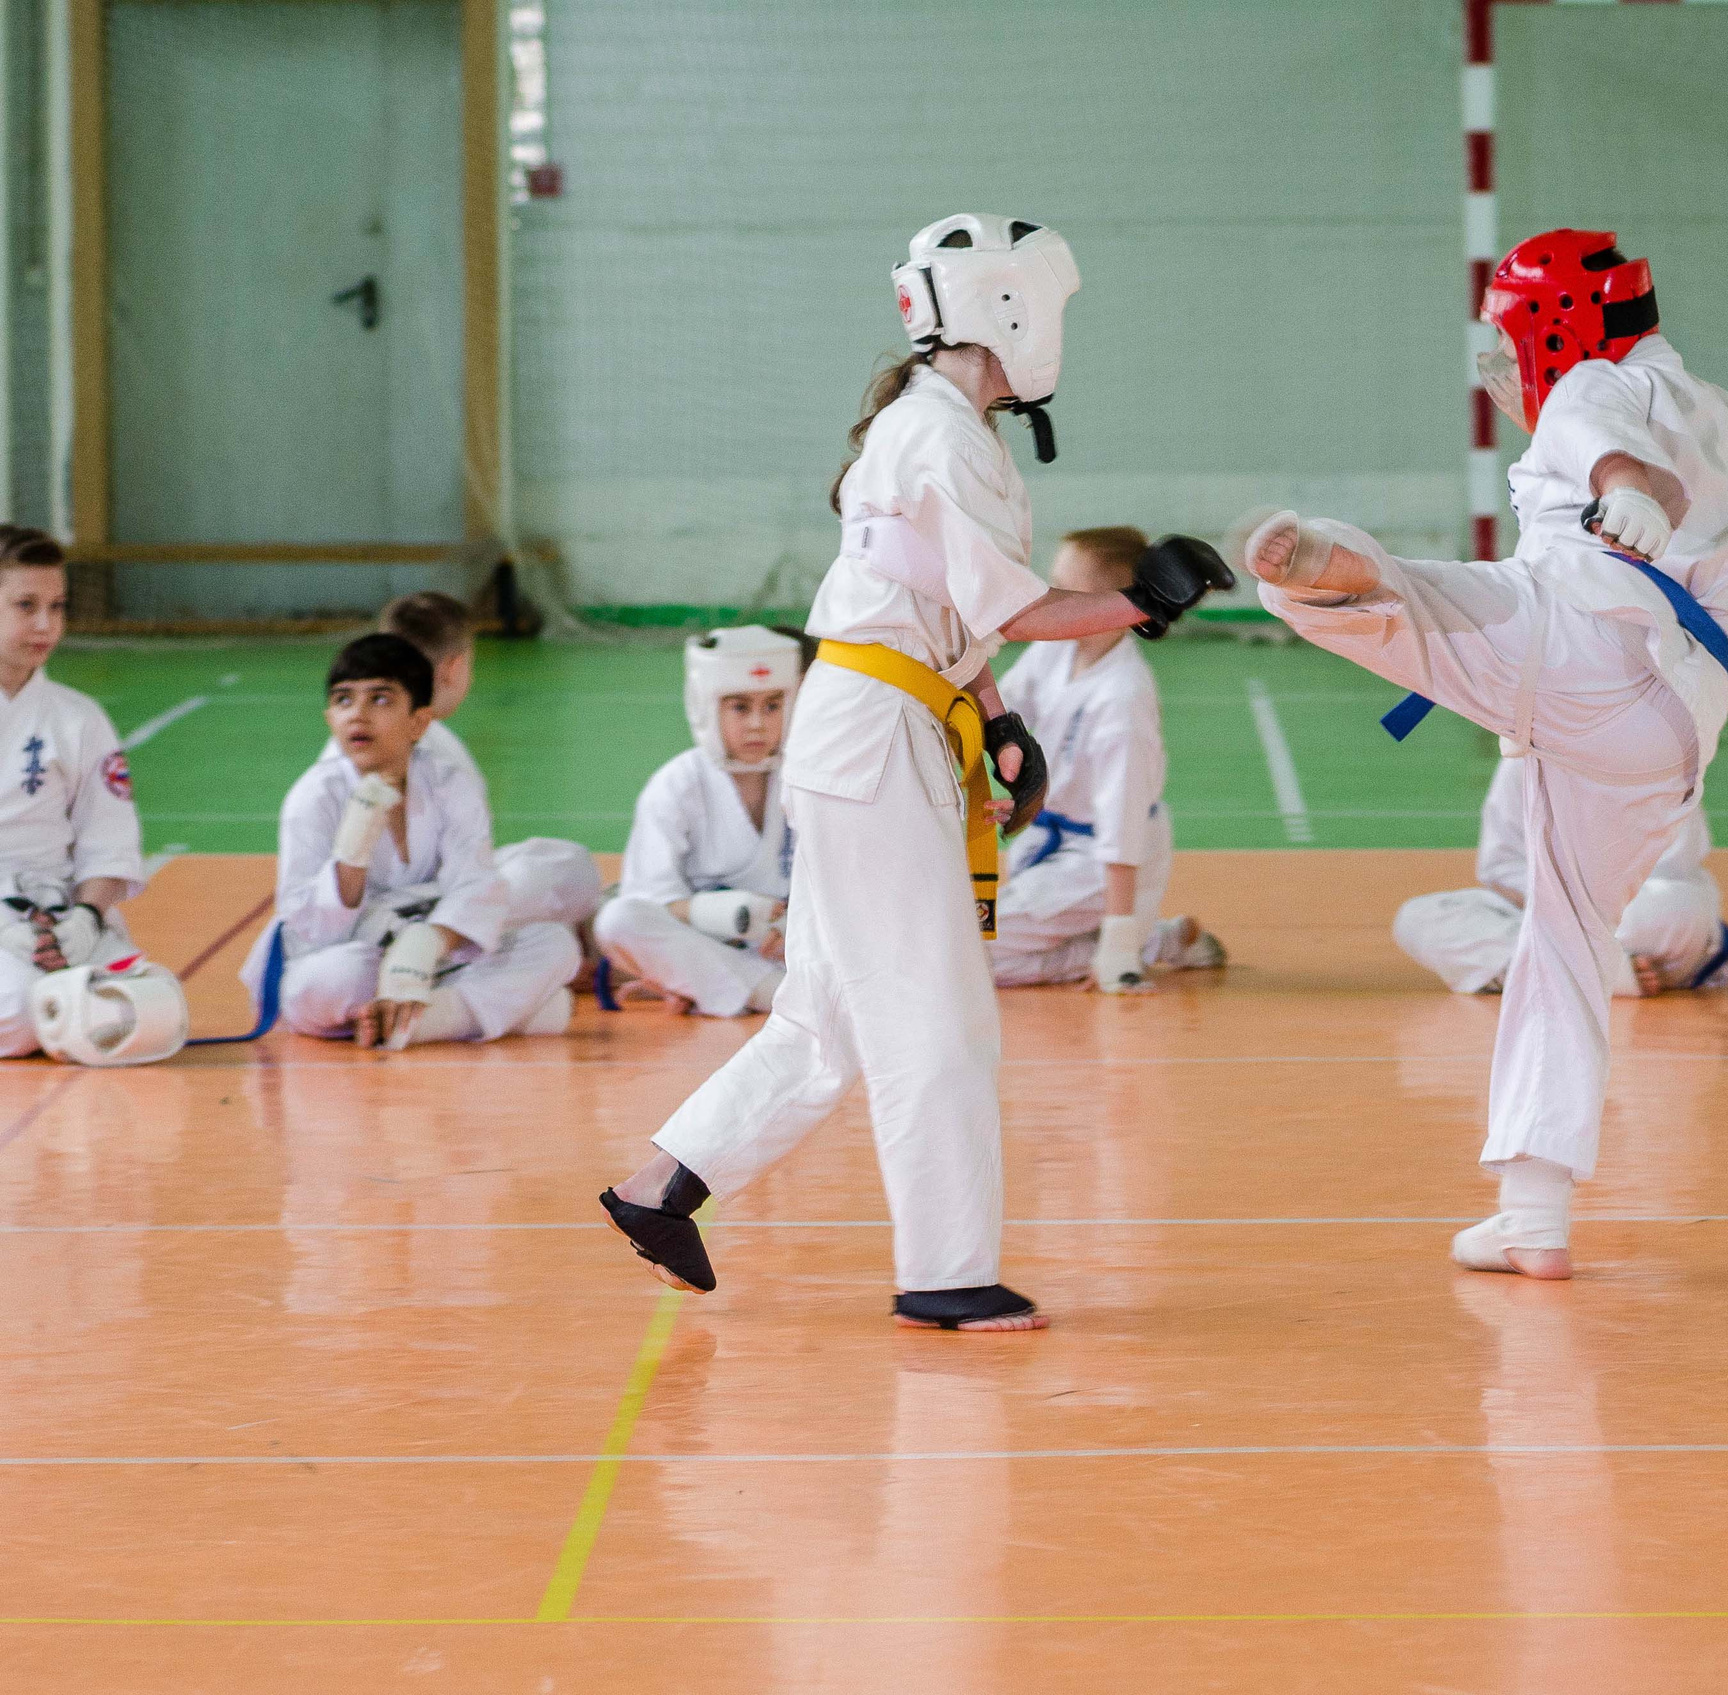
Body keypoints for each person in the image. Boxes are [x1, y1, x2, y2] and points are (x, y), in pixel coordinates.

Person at [598, 213, 1231, 1331]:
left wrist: (996, 715)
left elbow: (939, 603)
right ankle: (945, 1271)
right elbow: (1017, 607)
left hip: (882, 717)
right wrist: (1141, 600)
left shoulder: (935, 427)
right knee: (937, 1012)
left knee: (828, 1012)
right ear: (1006, 310)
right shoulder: (937, 434)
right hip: (877, 732)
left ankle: (664, 1189)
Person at [1239, 228, 1728, 1280]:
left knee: (1380, 596)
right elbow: (1661, 478)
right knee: (1562, 942)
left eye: (1513, 342)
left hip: (1579, 640)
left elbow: (1617, 453)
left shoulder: (1589, 388)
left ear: (1554, 327)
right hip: (1671, 727)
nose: (1508, 370)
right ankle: (1531, 1216)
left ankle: (1339, 570)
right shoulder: (1723, 412)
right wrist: (1639, 491)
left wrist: (1627, 489)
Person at [261, 632, 581, 1047]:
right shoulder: (313, 797)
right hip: (352, 954)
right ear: (329, 718)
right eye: (343, 700)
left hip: (435, 953)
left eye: (380, 699)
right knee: (334, 980)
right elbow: (307, 927)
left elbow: (474, 884)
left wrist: (423, 946)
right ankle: (468, 1013)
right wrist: (352, 852)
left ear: (419, 722)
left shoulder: (450, 784)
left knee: (554, 945)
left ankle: (413, 1022)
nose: (358, 714)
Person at [985, 527, 1225, 993]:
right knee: (960, 932)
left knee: (965, 956)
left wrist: (1119, 941)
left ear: (1105, 604)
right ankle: (1149, 938)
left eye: (1061, 589)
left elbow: (1122, 828)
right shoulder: (1055, 650)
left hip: (1098, 865)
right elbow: (1007, 714)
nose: (1045, 597)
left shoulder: (1122, 700)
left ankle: (1146, 943)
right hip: (1050, 841)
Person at [592, 626, 802, 1016]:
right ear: (706, 705)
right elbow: (650, 901)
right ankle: (769, 993)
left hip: (791, 947)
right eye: (740, 708)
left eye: (772, 706)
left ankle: (724, 988)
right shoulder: (677, 784)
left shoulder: (806, 776)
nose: (757, 723)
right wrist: (733, 913)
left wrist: (796, 925)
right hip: (706, 943)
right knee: (619, 920)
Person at [0, 527, 153, 1057]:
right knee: (22, 1012)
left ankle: (66, 994)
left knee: (144, 1009)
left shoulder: (80, 718)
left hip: (62, 913)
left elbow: (108, 839)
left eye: (57, 607)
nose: (46, 625)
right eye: (26, 606)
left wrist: (84, 920)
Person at [1395, 758, 1728, 997]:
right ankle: (1605, 974)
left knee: (1672, 912)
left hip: (1631, 916)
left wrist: (1582, 913)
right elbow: (1501, 869)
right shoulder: (1522, 754)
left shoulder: (1656, 753)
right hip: (1549, 916)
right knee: (1419, 919)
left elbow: (1670, 872)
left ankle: (1551, 973)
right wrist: (1563, 906)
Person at [374, 592, 603, 937]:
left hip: (402, 902)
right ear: (453, 669)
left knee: (552, 924)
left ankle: (436, 937)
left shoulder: (380, 730)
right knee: (567, 870)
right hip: (403, 908)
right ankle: (429, 936)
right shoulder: (420, 744)